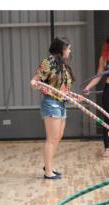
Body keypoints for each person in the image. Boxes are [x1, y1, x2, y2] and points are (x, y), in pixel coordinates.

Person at [30, 37, 75, 179]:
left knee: (58, 137)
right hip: (51, 103)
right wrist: (36, 84)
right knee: (51, 139)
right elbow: (34, 81)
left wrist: (74, 97)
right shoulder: (48, 62)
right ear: (61, 50)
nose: (70, 51)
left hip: (61, 103)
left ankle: (49, 165)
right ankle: (48, 172)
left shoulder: (63, 66)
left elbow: (64, 89)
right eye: (68, 48)